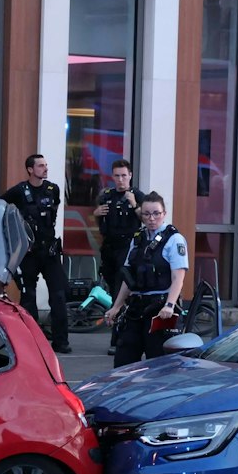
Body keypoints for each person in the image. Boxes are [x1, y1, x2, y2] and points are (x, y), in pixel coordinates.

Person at [103, 192, 188, 366]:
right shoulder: (138, 239)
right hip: (136, 307)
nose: (151, 218)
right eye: (147, 214)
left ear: (164, 213)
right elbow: (129, 277)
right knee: (123, 360)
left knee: (157, 363)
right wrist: (117, 306)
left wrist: (170, 305)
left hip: (160, 309)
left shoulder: (174, 239)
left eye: (156, 213)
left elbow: (178, 277)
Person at [2, 152, 70, 354]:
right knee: (28, 296)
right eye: (41, 166)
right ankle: (33, 341)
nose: (45, 168)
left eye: (46, 165)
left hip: (49, 252)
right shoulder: (19, 191)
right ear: (30, 169)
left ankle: (61, 342)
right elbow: (1, 208)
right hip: (29, 253)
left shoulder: (53, 190)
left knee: (59, 295)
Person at [93, 157, 142, 292]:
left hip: (127, 246)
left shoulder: (136, 194)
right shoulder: (107, 195)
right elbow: (99, 221)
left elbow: (146, 218)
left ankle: (119, 310)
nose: (120, 179)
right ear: (112, 177)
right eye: (117, 176)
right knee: (110, 280)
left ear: (130, 175)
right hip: (109, 246)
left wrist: (134, 204)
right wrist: (96, 213)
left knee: (122, 281)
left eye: (124, 175)